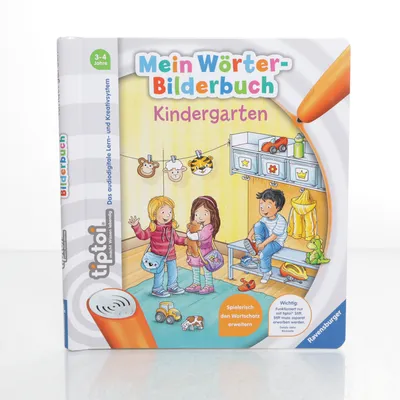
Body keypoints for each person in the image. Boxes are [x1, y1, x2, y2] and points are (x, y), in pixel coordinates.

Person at [128, 196, 186, 298]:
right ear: (154, 214)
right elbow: (143, 236)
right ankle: (157, 289)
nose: (168, 215)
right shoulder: (152, 228)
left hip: (171, 255)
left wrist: (186, 241)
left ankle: (172, 286)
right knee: (159, 273)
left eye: (170, 212)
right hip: (157, 256)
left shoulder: (171, 228)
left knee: (173, 271)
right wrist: (136, 226)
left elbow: (177, 239)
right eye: (163, 212)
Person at [244, 189, 287, 284]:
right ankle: (258, 245)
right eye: (261, 205)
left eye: (268, 206)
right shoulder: (264, 219)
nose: (263, 208)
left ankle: (267, 272)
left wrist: (263, 244)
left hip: (276, 243)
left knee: (264, 254)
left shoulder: (281, 221)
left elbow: (274, 236)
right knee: (258, 225)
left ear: (278, 208)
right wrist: (249, 237)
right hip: (264, 240)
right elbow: (255, 227)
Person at [185, 196, 221, 295]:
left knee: (207, 269)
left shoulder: (209, 227)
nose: (200, 217)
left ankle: (209, 285)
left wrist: (190, 235)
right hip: (196, 252)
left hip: (205, 252)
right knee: (195, 267)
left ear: (212, 215)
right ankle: (196, 283)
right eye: (197, 214)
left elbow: (201, 236)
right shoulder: (195, 225)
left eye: (205, 214)